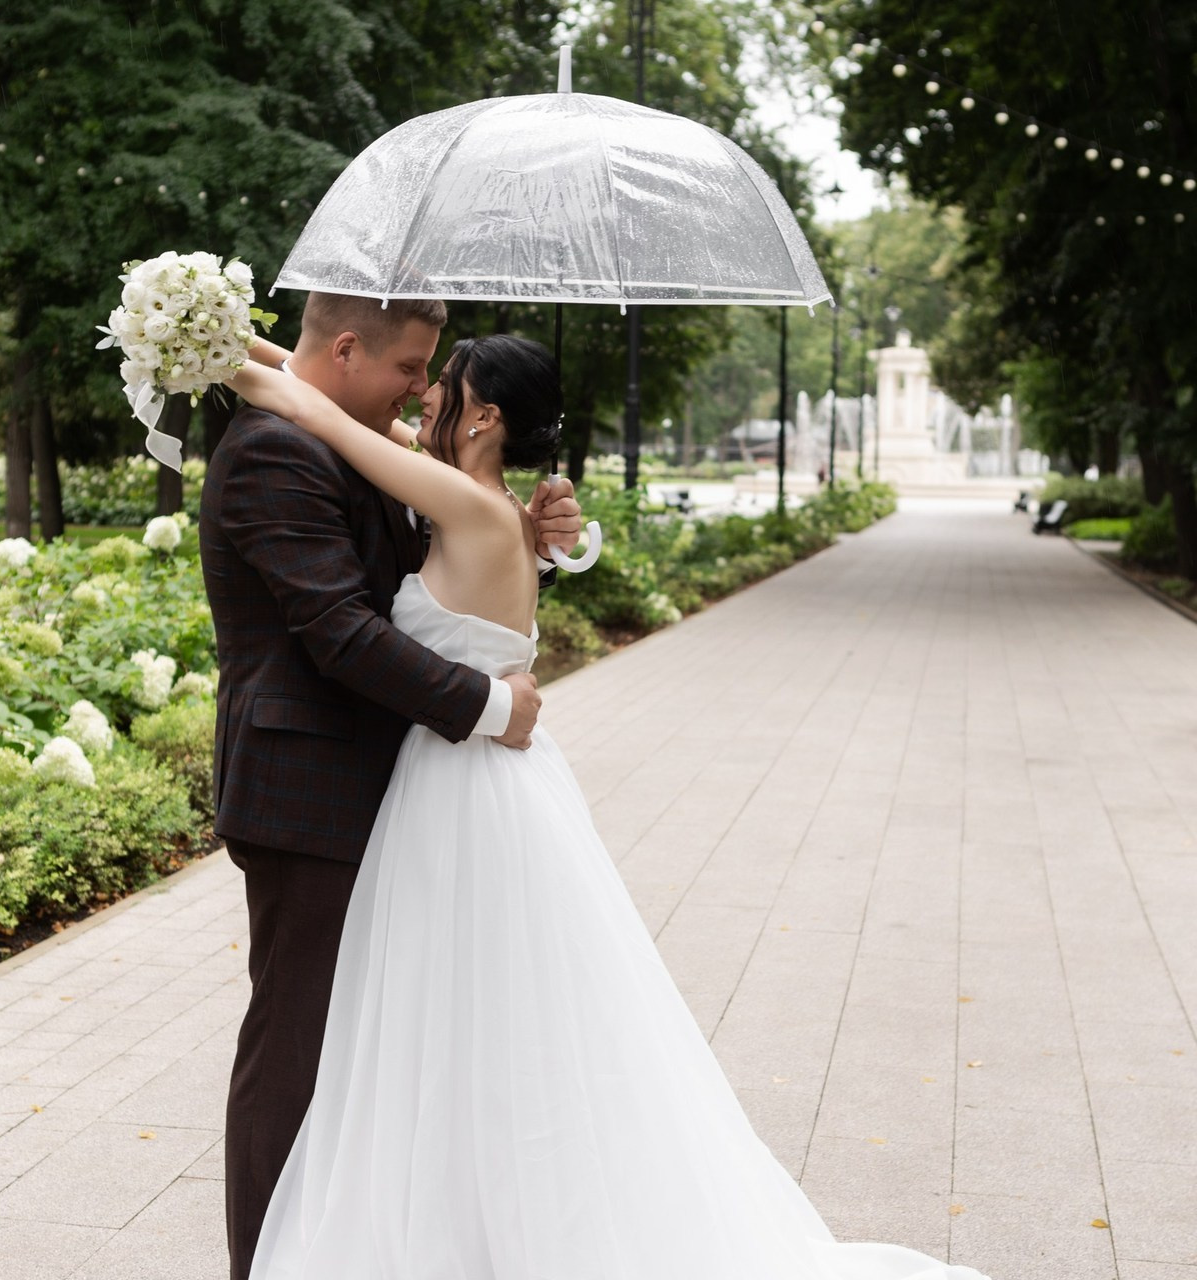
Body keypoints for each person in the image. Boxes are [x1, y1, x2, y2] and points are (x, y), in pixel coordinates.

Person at [225, 337, 991, 1280]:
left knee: (447, 1003)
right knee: (470, 1006)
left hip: (459, 787)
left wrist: (211, 352)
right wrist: (225, 328)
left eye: (444, 383)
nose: (423, 397)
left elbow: (322, 412)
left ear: (484, 415)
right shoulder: (496, 506)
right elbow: (347, 402)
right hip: (473, 779)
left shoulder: (470, 504)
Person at [198, 293, 582, 1280]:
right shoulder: (277, 449)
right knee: (298, 1046)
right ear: (344, 349)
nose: (421, 391)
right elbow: (341, 632)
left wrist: (539, 541)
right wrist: (492, 706)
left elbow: (445, 551)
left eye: (434, 373)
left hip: (392, 788)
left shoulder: (353, 432)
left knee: (377, 1048)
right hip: (308, 790)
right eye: (412, 367)